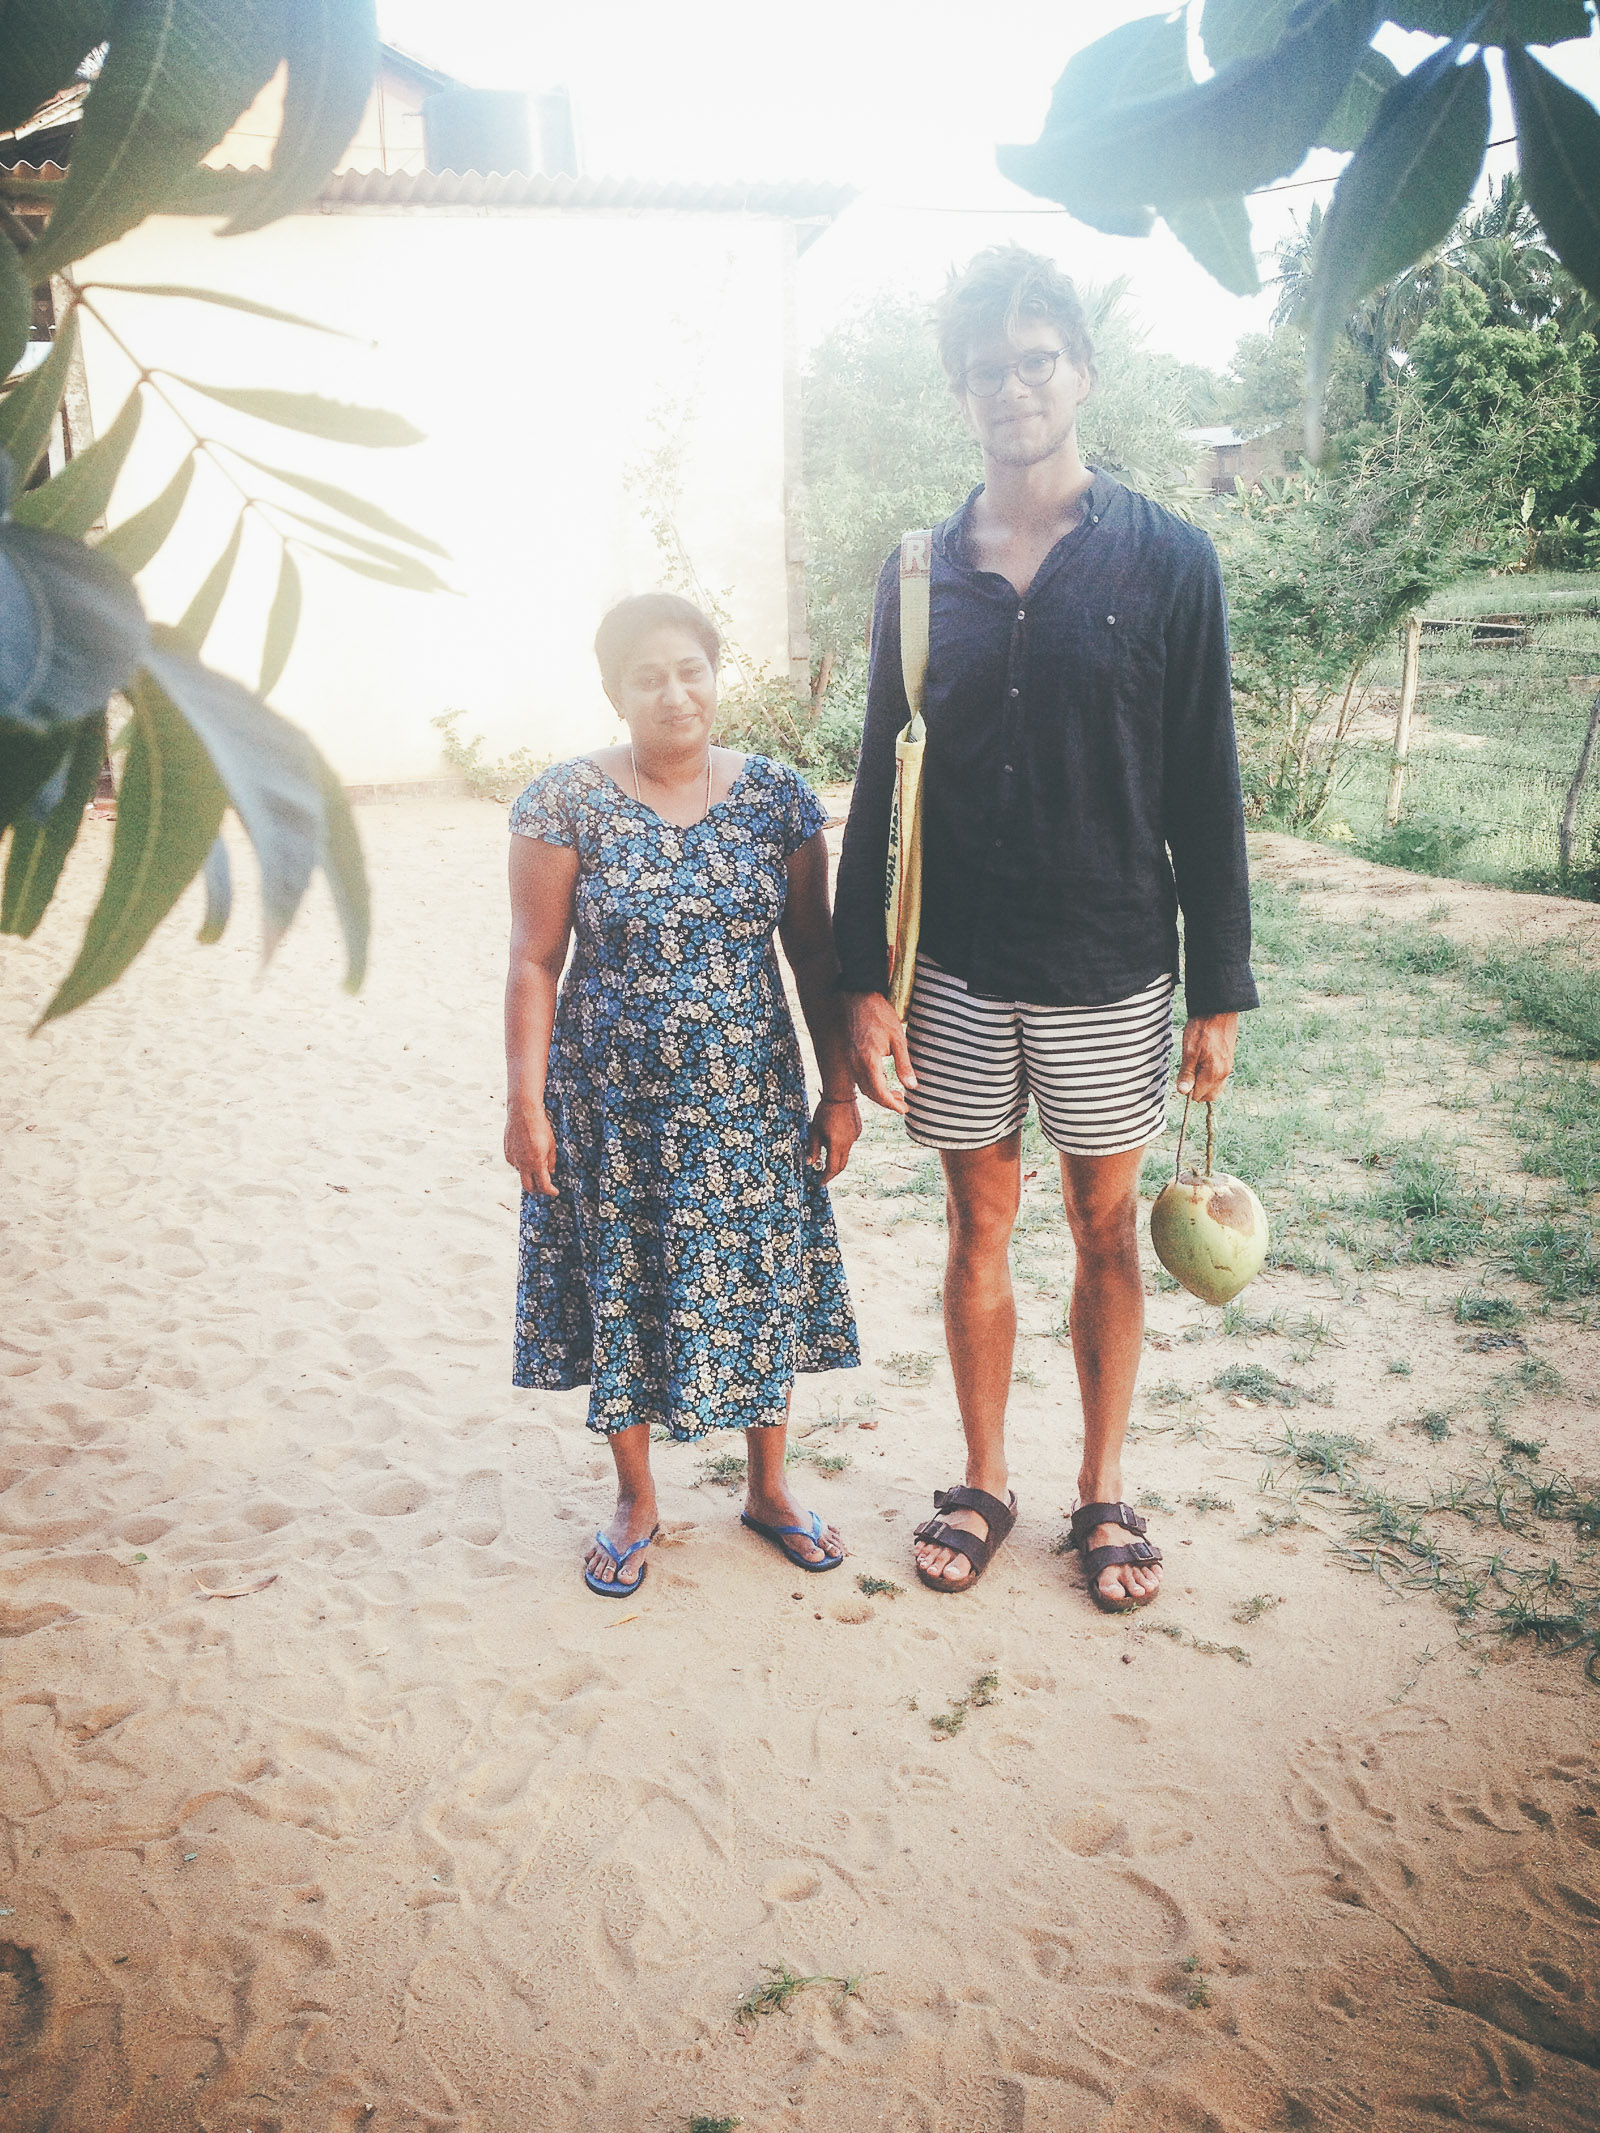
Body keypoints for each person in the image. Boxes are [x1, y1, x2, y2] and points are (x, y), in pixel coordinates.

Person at [832, 246, 1258, 1611]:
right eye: (987, 367)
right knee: (976, 1223)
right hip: (955, 967)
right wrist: (860, 982)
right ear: (958, 389)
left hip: (1114, 962)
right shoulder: (917, 570)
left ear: (1079, 370)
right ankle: (985, 1478)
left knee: (1105, 1229)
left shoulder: (1169, 557)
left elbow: (1206, 778)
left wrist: (1219, 985)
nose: (1013, 387)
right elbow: (873, 788)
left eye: (1037, 360)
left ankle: (1103, 1488)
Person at [504, 593, 862, 1596]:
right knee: (621, 1284)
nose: (674, 693)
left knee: (759, 1278)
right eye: (648, 676)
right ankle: (636, 1499)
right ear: (615, 692)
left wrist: (838, 1094)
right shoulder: (561, 801)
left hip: (748, 1104)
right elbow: (533, 959)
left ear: (717, 674)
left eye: (690, 669)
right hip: (609, 1113)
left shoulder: (778, 800)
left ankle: (768, 1489)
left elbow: (816, 954)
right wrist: (523, 1105)